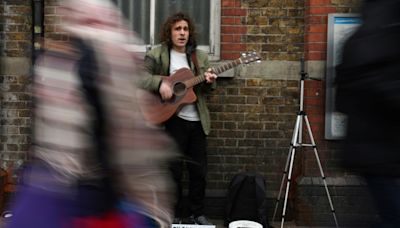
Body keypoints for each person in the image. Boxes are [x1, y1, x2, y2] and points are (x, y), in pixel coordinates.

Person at [6, 0, 176, 228]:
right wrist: (156, 213)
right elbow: (131, 146)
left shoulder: (54, 61)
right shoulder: (107, 49)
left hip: (45, 192)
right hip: (86, 199)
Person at [139, 12, 217, 225]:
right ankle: (171, 213)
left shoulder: (199, 58)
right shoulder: (158, 54)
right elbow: (140, 77)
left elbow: (207, 92)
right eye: (177, 29)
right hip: (172, 120)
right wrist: (160, 84)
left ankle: (197, 213)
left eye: (185, 29)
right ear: (170, 32)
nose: (182, 33)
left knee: (198, 171)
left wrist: (210, 82)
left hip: (197, 121)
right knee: (172, 171)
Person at [335, 0, 400, 227]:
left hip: (369, 150)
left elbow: (340, 101)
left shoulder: (356, 40)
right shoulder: (387, 41)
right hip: (382, 150)